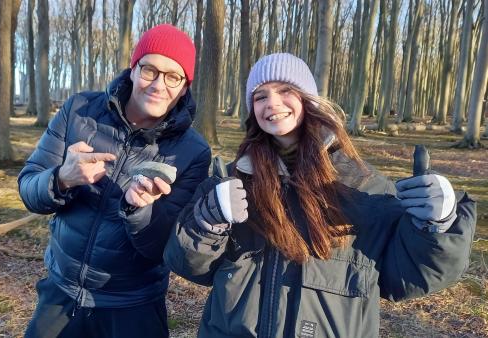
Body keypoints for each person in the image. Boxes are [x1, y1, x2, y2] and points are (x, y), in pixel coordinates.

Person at [164, 53, 476, 338]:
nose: (271, 103)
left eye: (286, 90)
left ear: (309, 99)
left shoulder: (364, 185)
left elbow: (407, 278)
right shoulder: (230, 181)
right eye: (260, 96)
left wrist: (439, 225)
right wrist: (207, 222)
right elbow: (189, 266)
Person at [18, 24, 211, 338]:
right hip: (61, 292)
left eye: (173, 76)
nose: (158, 85)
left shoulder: (193, 152)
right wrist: (62, 179)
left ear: (184, 87)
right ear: (133, 69)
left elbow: (164, 249)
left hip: (133, 305)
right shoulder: (78, 111)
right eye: (149, 70)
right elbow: (28, 189)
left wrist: (141, 211)